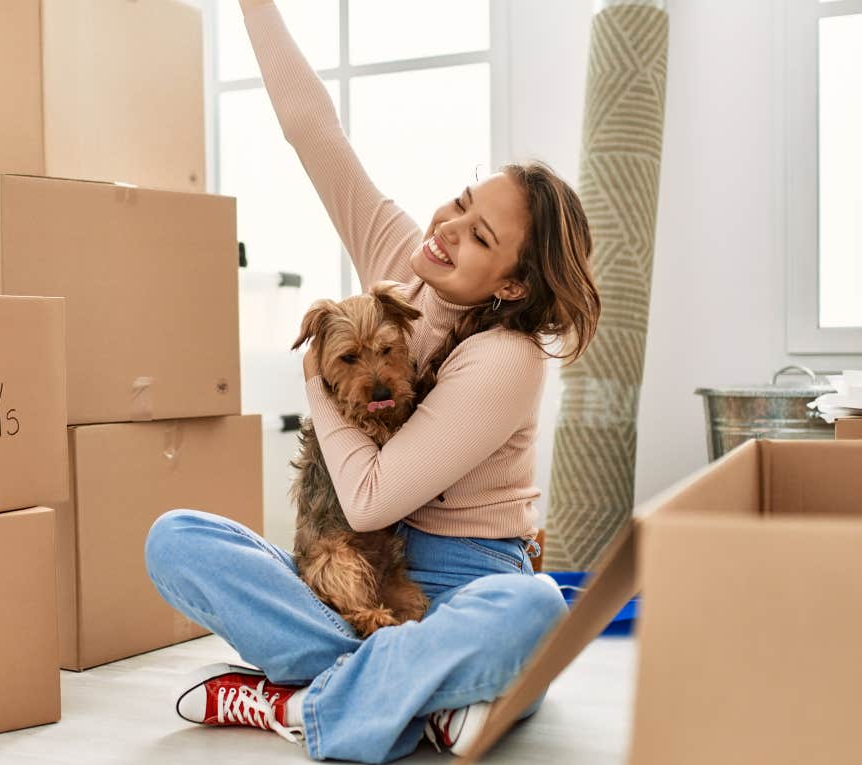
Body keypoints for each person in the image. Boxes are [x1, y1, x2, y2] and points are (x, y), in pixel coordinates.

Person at [144, 0, 601, 761]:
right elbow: (312, 130)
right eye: (462, 201)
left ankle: (300, 703)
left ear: (513, 286)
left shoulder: (507, 358)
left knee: (533, 608)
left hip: (466, 580)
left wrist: (319, 383)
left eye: (479, 235)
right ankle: (430, 697)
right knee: (176, 540)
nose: (447, 227)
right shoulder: (399, 258)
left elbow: (370, 494)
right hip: (355, 569)